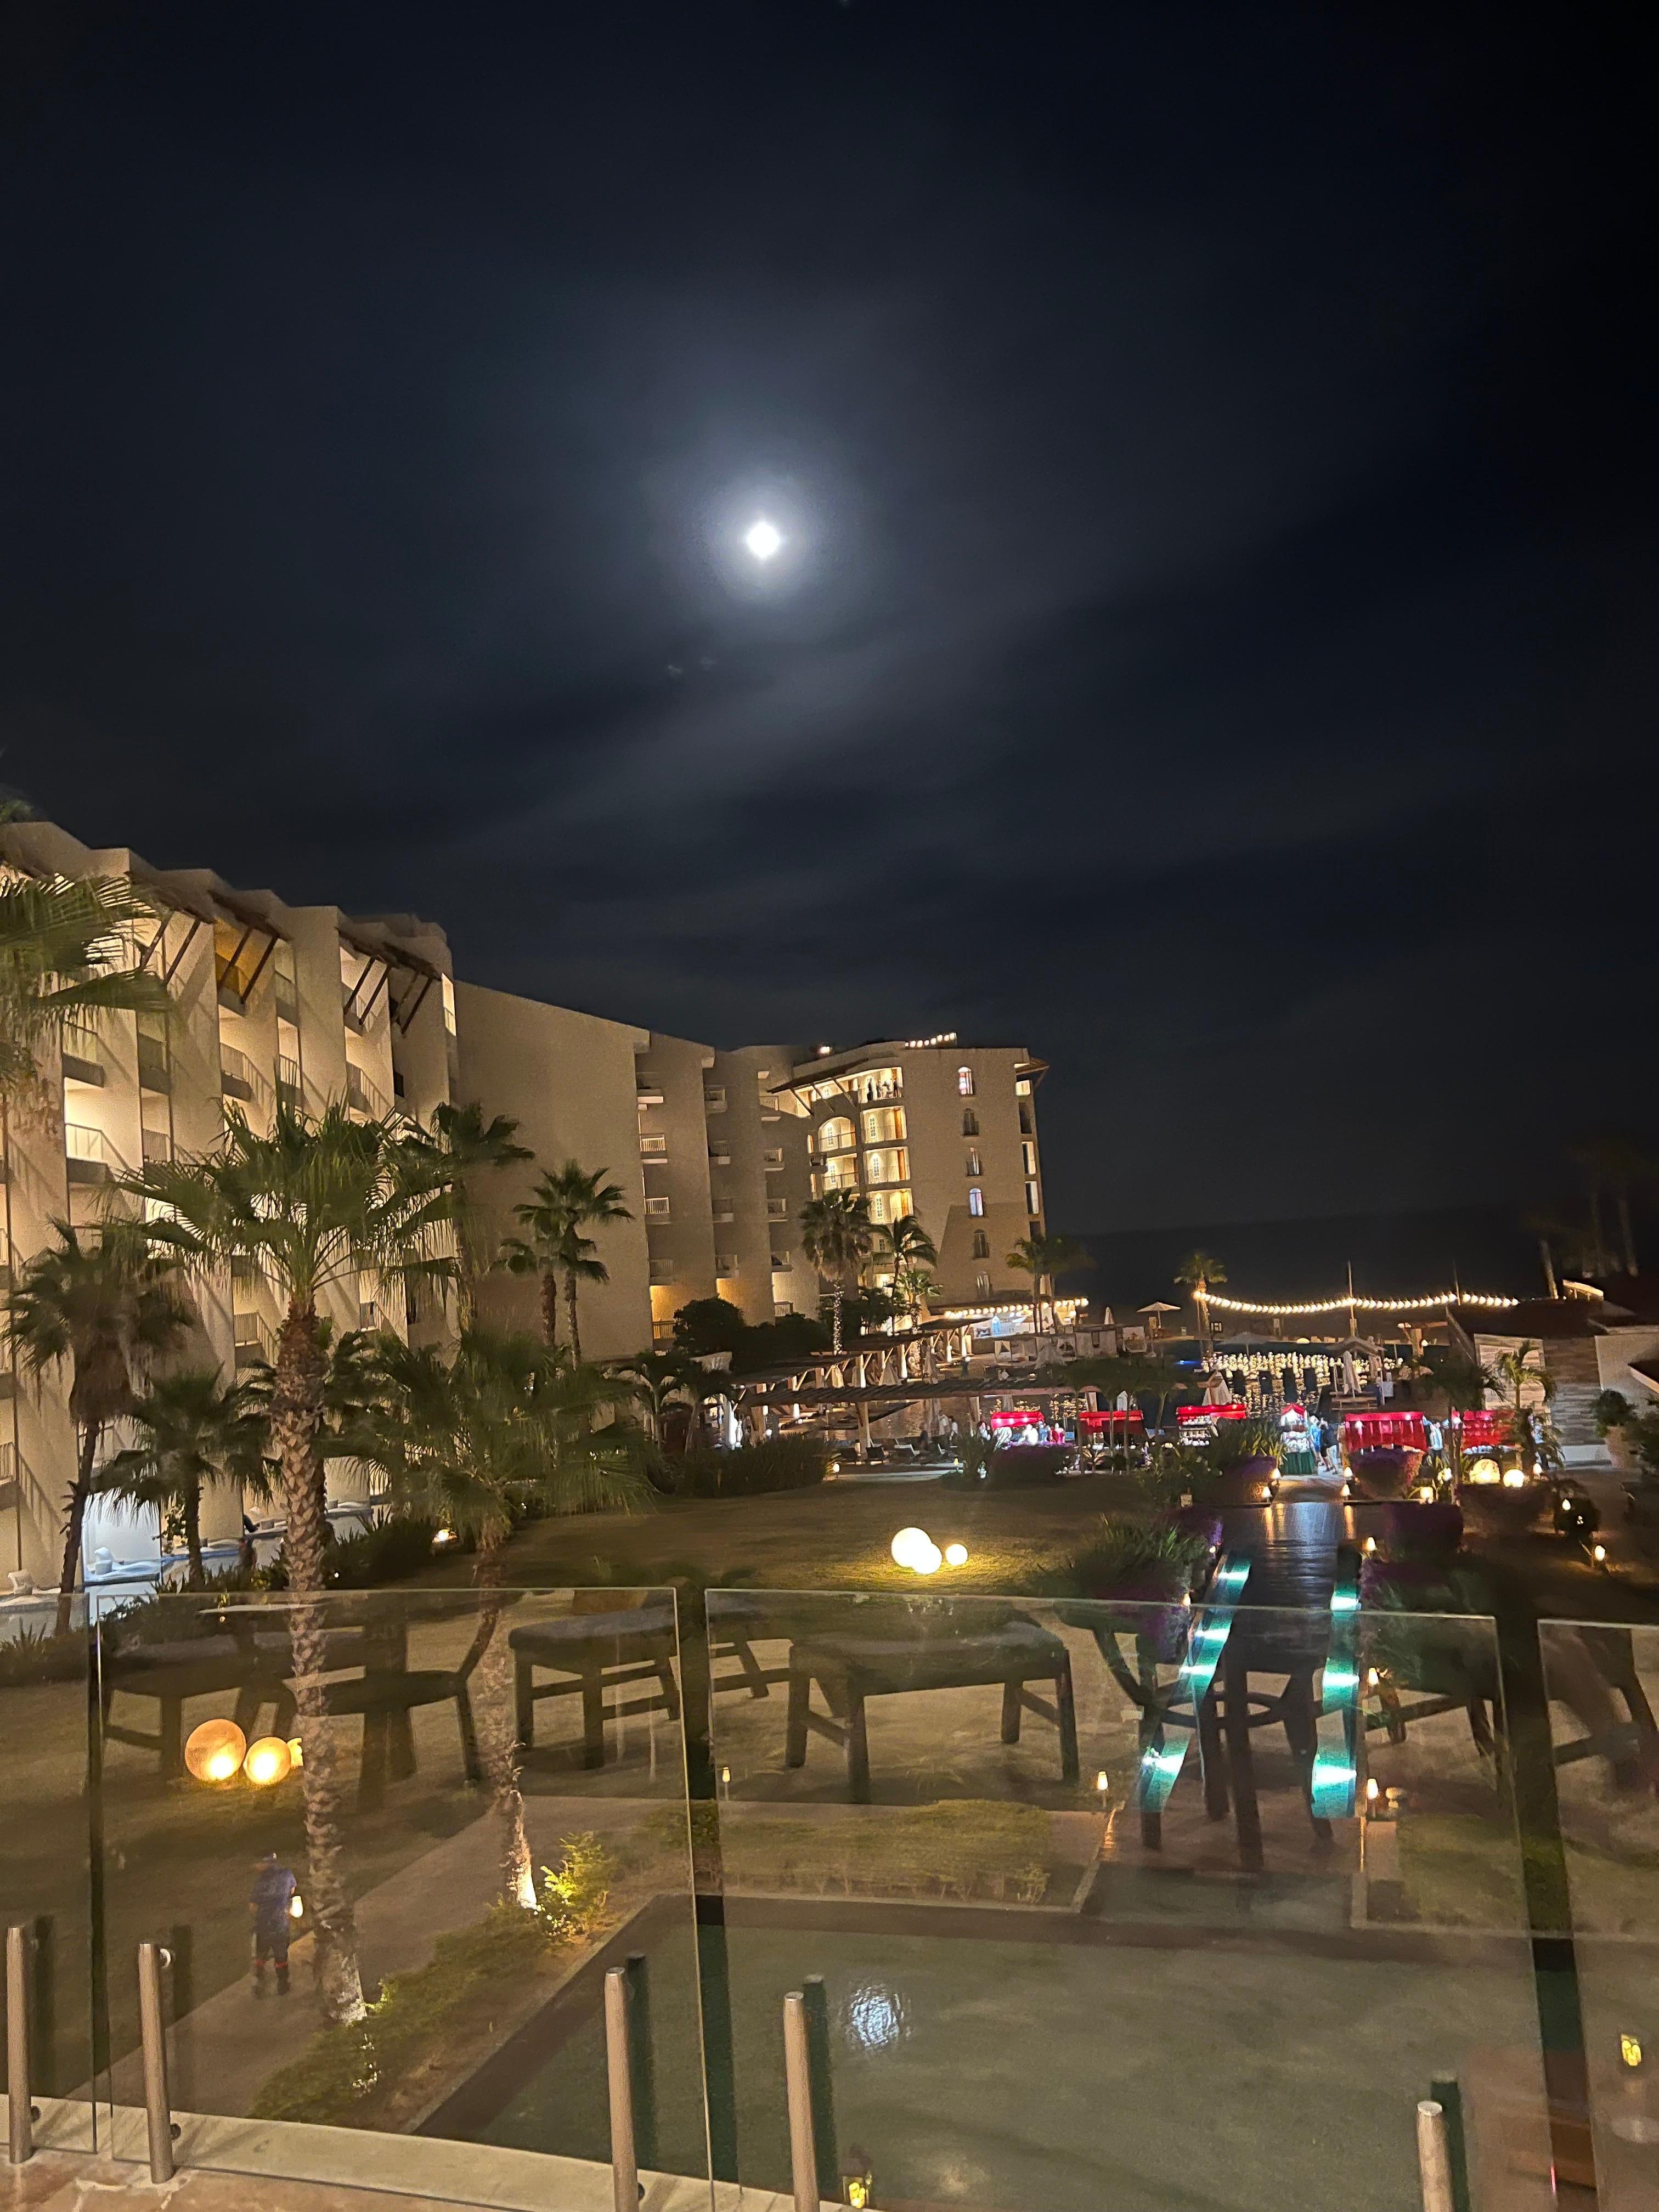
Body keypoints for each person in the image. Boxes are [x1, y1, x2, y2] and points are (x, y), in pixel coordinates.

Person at [250, 1851, 298, 1996]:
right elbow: (292, 1890)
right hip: (281, 1923)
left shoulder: (261, 1883)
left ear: (265, 1864)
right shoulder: (287, 1874)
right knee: (281, 1955)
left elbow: (252, 1906)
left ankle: (259, 1984)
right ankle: (283, 1985)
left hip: (263, 1925)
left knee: (260, 1955)